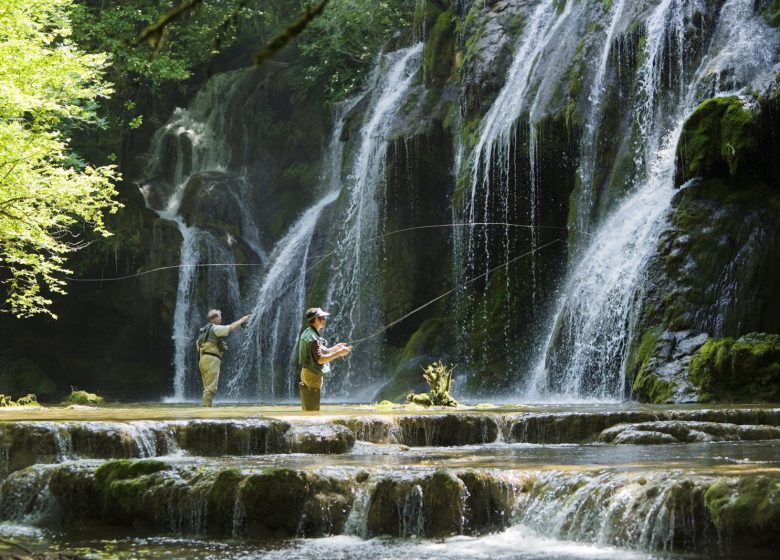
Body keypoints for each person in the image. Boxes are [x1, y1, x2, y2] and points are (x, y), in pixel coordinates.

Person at [297, 307, 351, 411]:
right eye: (323, 318)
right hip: (312, 375)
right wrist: (339, 353)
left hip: (306, 372)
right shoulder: (313, 339)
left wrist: (335, 348)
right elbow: (320, 359)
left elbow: (316, 353)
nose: (324, 320)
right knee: (312, 409)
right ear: (316, 319)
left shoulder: (308, 333)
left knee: (308, 408)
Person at [196, 309, 250, 407]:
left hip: (203, 359)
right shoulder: (215, 328)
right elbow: (231, 328)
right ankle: (206, 412)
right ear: (214, 318)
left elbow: (198, 344)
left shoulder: (204, 330)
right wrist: (243, 320)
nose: (221, 318)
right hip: (211, 359)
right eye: (220, 316)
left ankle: (206, 407)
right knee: (211, 388)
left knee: (207, 387)